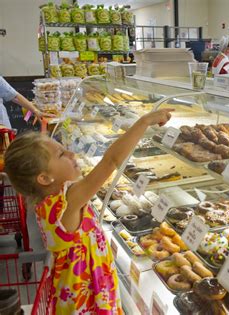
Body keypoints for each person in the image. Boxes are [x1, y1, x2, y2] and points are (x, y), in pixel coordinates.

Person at [3, 108, 173, 314]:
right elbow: (111, 160)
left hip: (77, 290)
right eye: (61, 154)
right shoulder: (67, 203)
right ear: (45, 178)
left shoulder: (48, 202)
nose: (71, 153)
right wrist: (145, 121)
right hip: (86, 299)